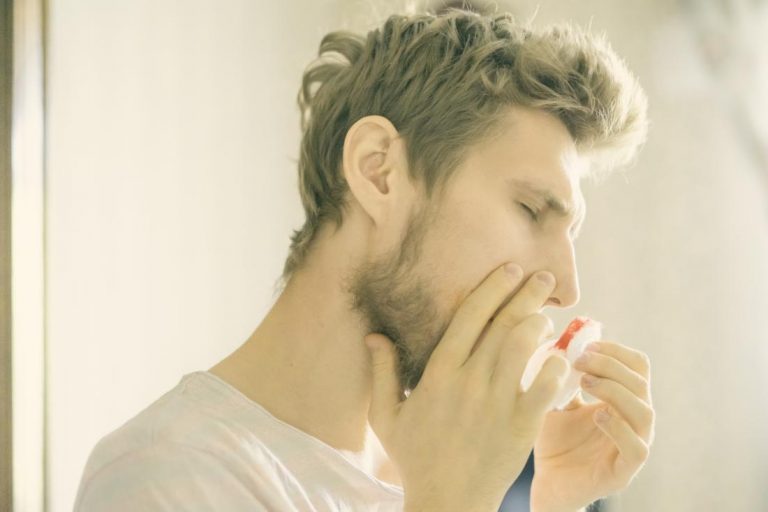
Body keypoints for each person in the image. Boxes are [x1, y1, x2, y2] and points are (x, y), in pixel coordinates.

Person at [74, 8, 655, 512]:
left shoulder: (439, 467)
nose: (566, 288)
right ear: (378, 172)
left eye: (569, 233)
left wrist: (545, 500)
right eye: (530, 210)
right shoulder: (167, 476)